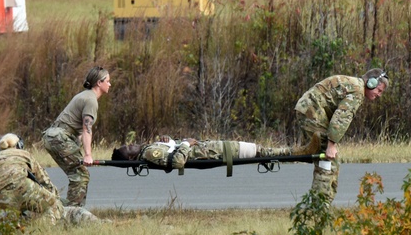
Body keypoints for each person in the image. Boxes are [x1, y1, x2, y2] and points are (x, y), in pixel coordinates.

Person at [294, 68, 389, 201]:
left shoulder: (355, 86)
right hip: (311, 110)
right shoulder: (357, 91)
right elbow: (341, 119)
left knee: (325, 156)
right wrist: (331, 144)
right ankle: (319, 204)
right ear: (371, 83)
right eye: (379, 90)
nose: (379, 95)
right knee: (327, 158)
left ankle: (263, 152)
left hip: (310, 109)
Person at [0, 133, 101, 225]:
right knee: (54, 205)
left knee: (10, 218)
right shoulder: (24, 154)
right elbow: (44, 180)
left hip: (0, 197)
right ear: (18, 146)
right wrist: (54, 198)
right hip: (23, 189)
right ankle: (45, 228)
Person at [42, 66, 111, 207]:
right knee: (80, 175)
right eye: (108, 81)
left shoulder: (84, 96)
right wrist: (87, 155)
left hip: (53, 136)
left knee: (77, 174)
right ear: (99, 83)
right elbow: (87, 129)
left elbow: (77, 131)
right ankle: (72, 212)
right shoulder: (91, 100)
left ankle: (66, 208)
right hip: (59, 138)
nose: (110, 84)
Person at [111, 136, 294, 168]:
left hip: (210, 148)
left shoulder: (148, 148)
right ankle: (294, 152)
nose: (131, 144)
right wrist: (186, 144)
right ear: (131, 157)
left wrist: (166, 139)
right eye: (128, 148)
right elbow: (176, 162)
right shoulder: (149, 154)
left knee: (259, 150)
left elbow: (171, 148)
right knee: (259, 151)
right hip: (212, 152)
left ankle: (293, 151)